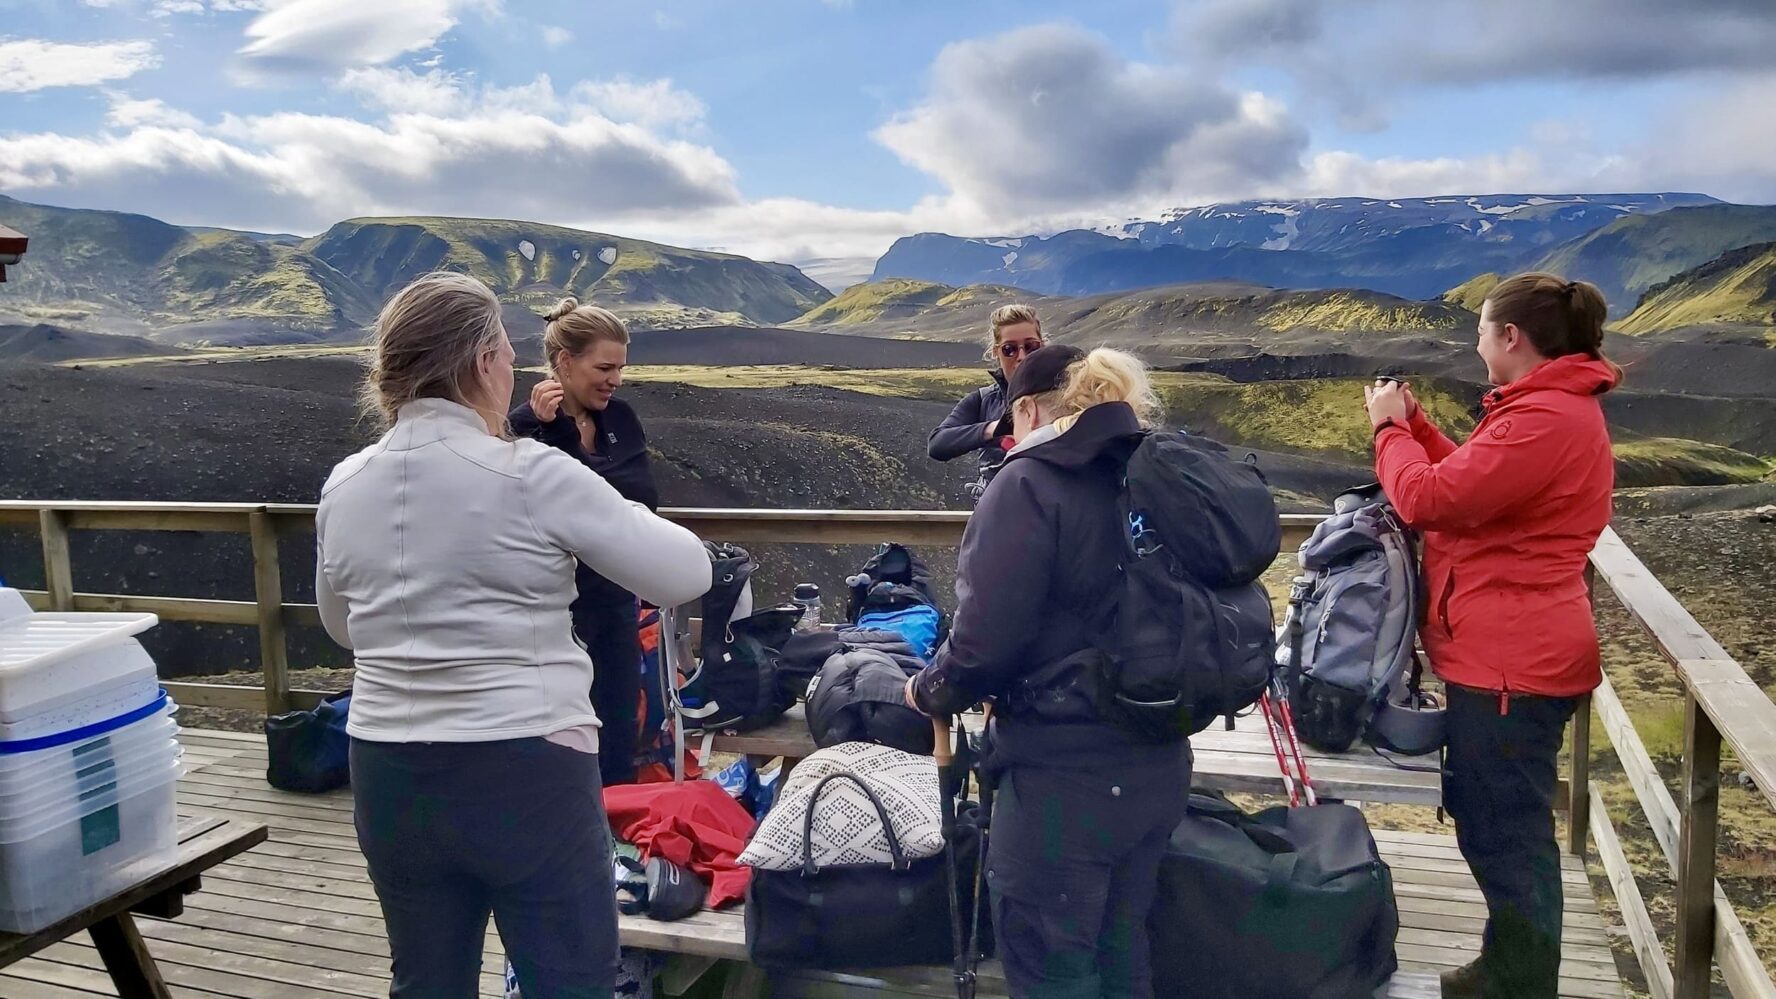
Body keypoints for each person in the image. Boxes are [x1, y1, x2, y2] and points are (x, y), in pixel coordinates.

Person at [315, 271, 711, 998]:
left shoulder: (344, 483)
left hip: (387, 773)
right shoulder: (532, 474)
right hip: (523, 768)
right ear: (482, 364)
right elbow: (685, 571)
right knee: (570, 980)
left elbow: (342, 625)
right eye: (503, 351)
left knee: (426, 981)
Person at [1363, 272, 1620, 999]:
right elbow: (1473, 483)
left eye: (1480, 328)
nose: (1474, 341)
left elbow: (1426, 498)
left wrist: (1387, 430)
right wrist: (1415, 429)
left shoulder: (1544, 419)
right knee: (1495, 820)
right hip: (1513, 653)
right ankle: (1508, 965)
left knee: (1505, 832)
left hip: (1514, 663)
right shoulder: (1545, 411)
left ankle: (1521, 978)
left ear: (1511, 338)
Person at [907, 346, 1192, 999]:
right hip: (1158, 761)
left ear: (1030, 408)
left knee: (1054, 967)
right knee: (1125, 955)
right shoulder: (1148, 472)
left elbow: (982, 645)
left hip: (1063, 783)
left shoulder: (1029, 482)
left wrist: (928, 688)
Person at [509, 297, 657, 787]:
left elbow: (634, 499)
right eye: (604, 367)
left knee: (615, 712)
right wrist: (560, 436)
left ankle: (617, 821)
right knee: (555, 719)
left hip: (613, 595)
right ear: (565, 363)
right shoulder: (522, 429)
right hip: (547, 606)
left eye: (620, 368)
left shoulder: (622, 418)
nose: (615, 380)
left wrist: (567, 442)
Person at [927, 304, 1046, 501]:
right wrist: (996, 429)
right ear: (995, 352)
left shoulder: (1065, 397)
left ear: (1043, 346)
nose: (1022, 356)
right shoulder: (982, 400)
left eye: (1031, 346)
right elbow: (938, 444)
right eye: (1010, 349)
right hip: (996, 516)